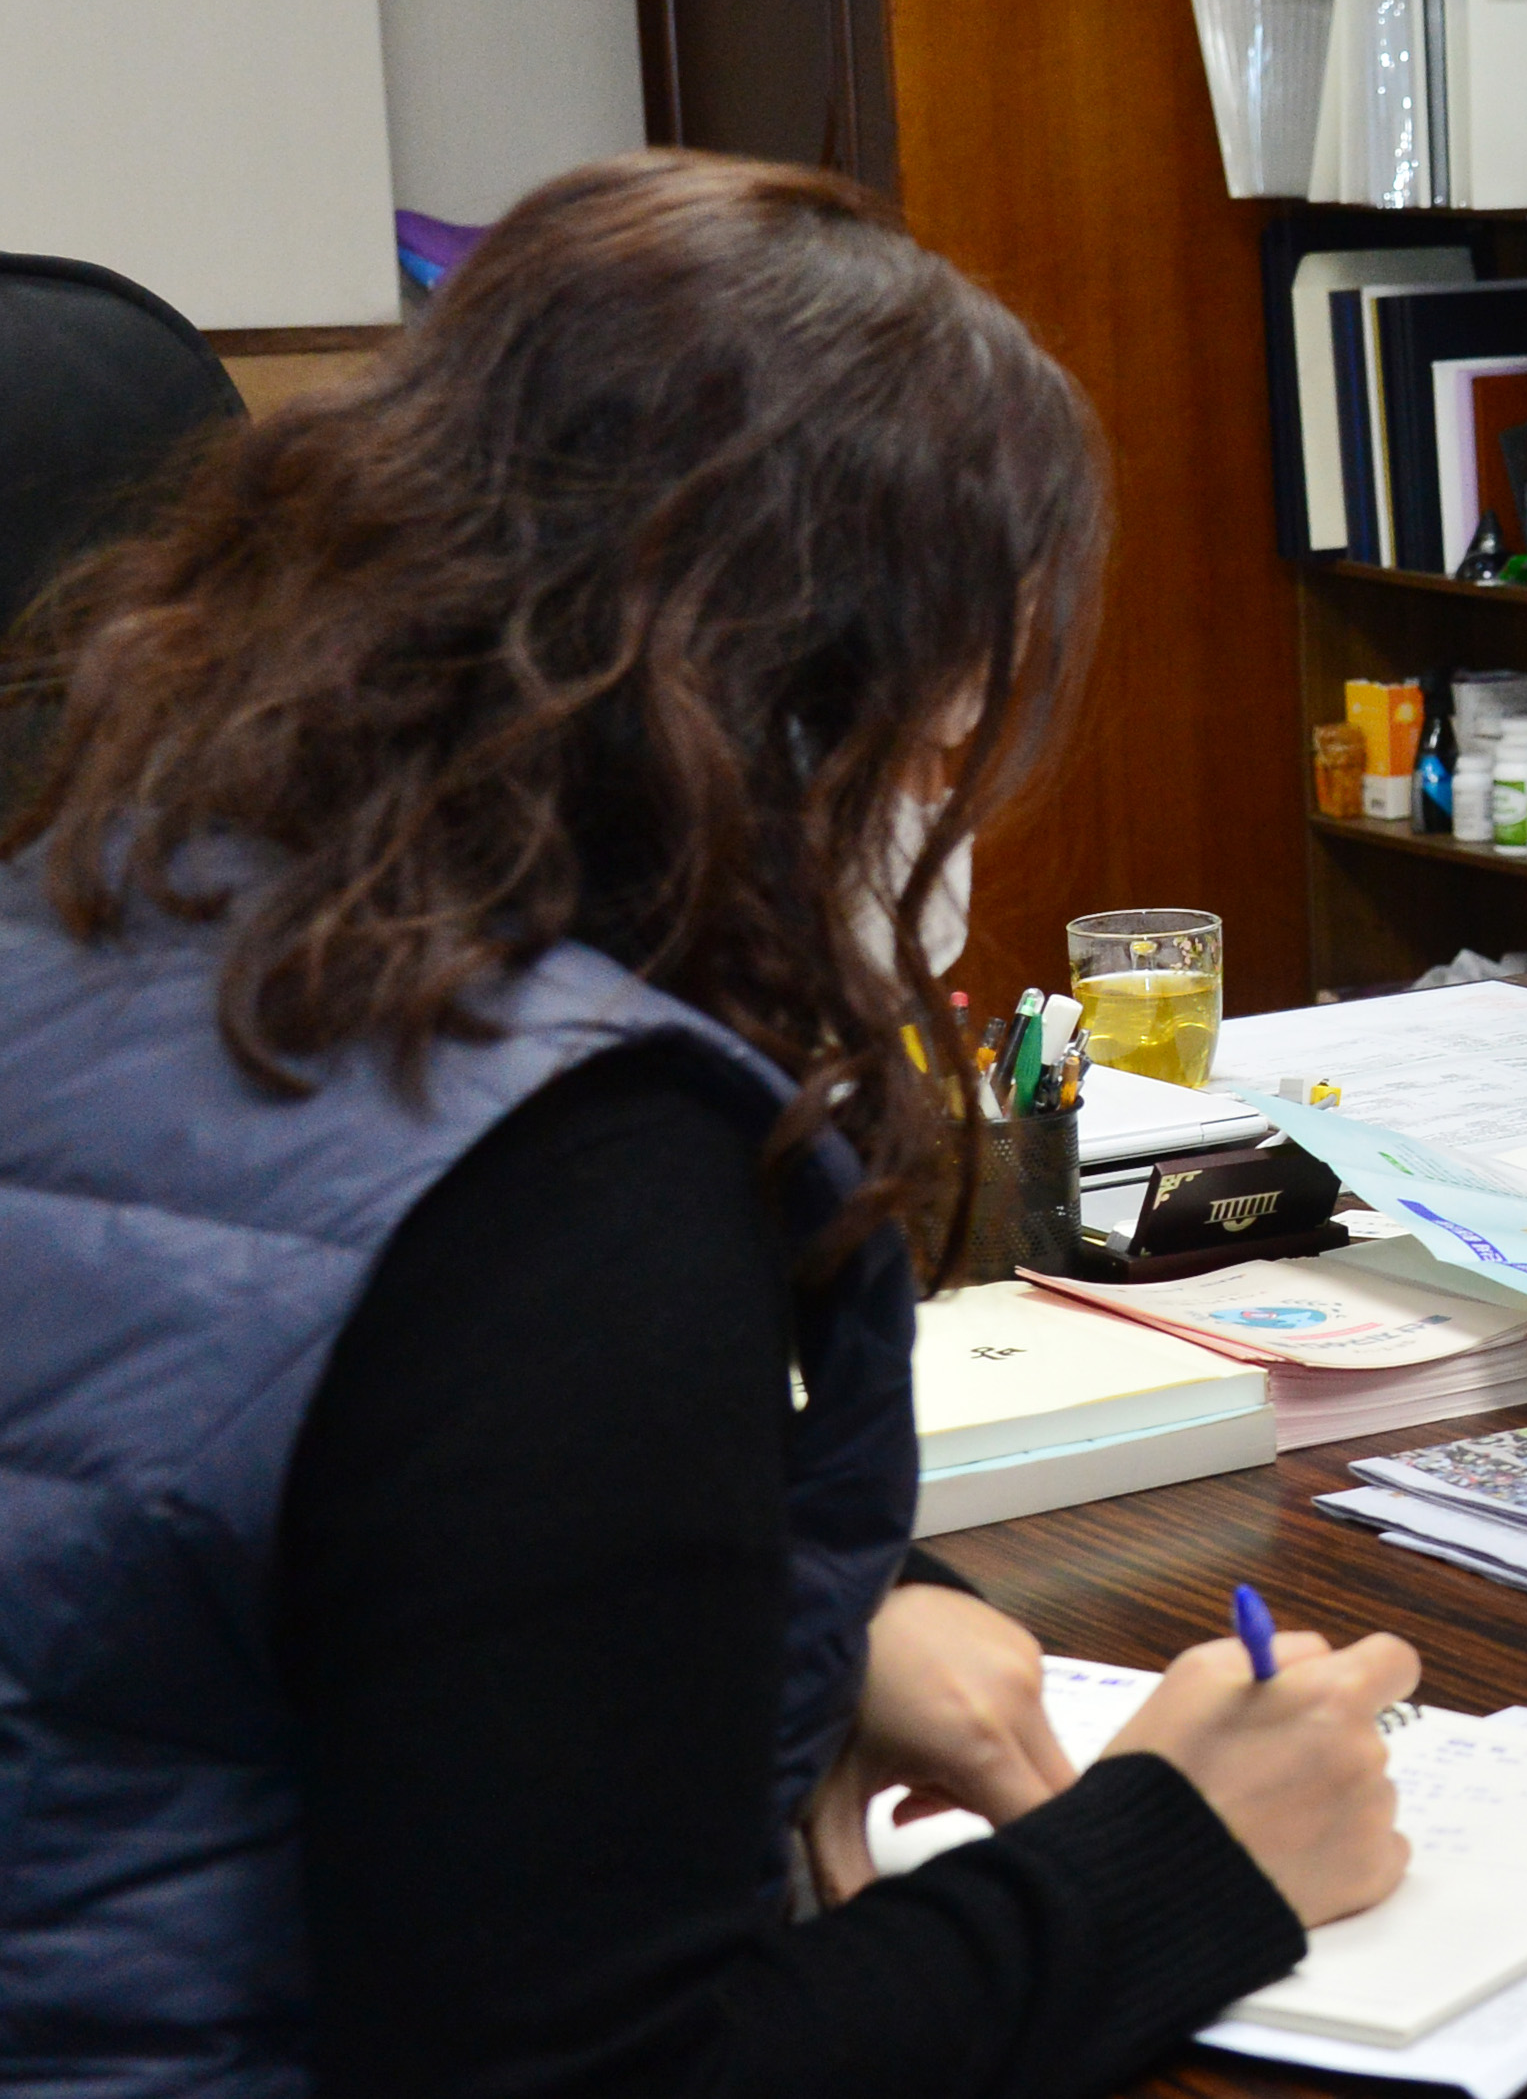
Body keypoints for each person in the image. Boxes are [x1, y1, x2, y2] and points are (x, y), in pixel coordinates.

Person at [0, 154, 1420, 2099]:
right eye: (935, 741)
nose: (949, 812)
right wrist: (1189, 1857)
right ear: (757, 715)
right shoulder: (568, 1185)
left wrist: (831, 1616)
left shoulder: (108, 904)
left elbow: (268, 1524)